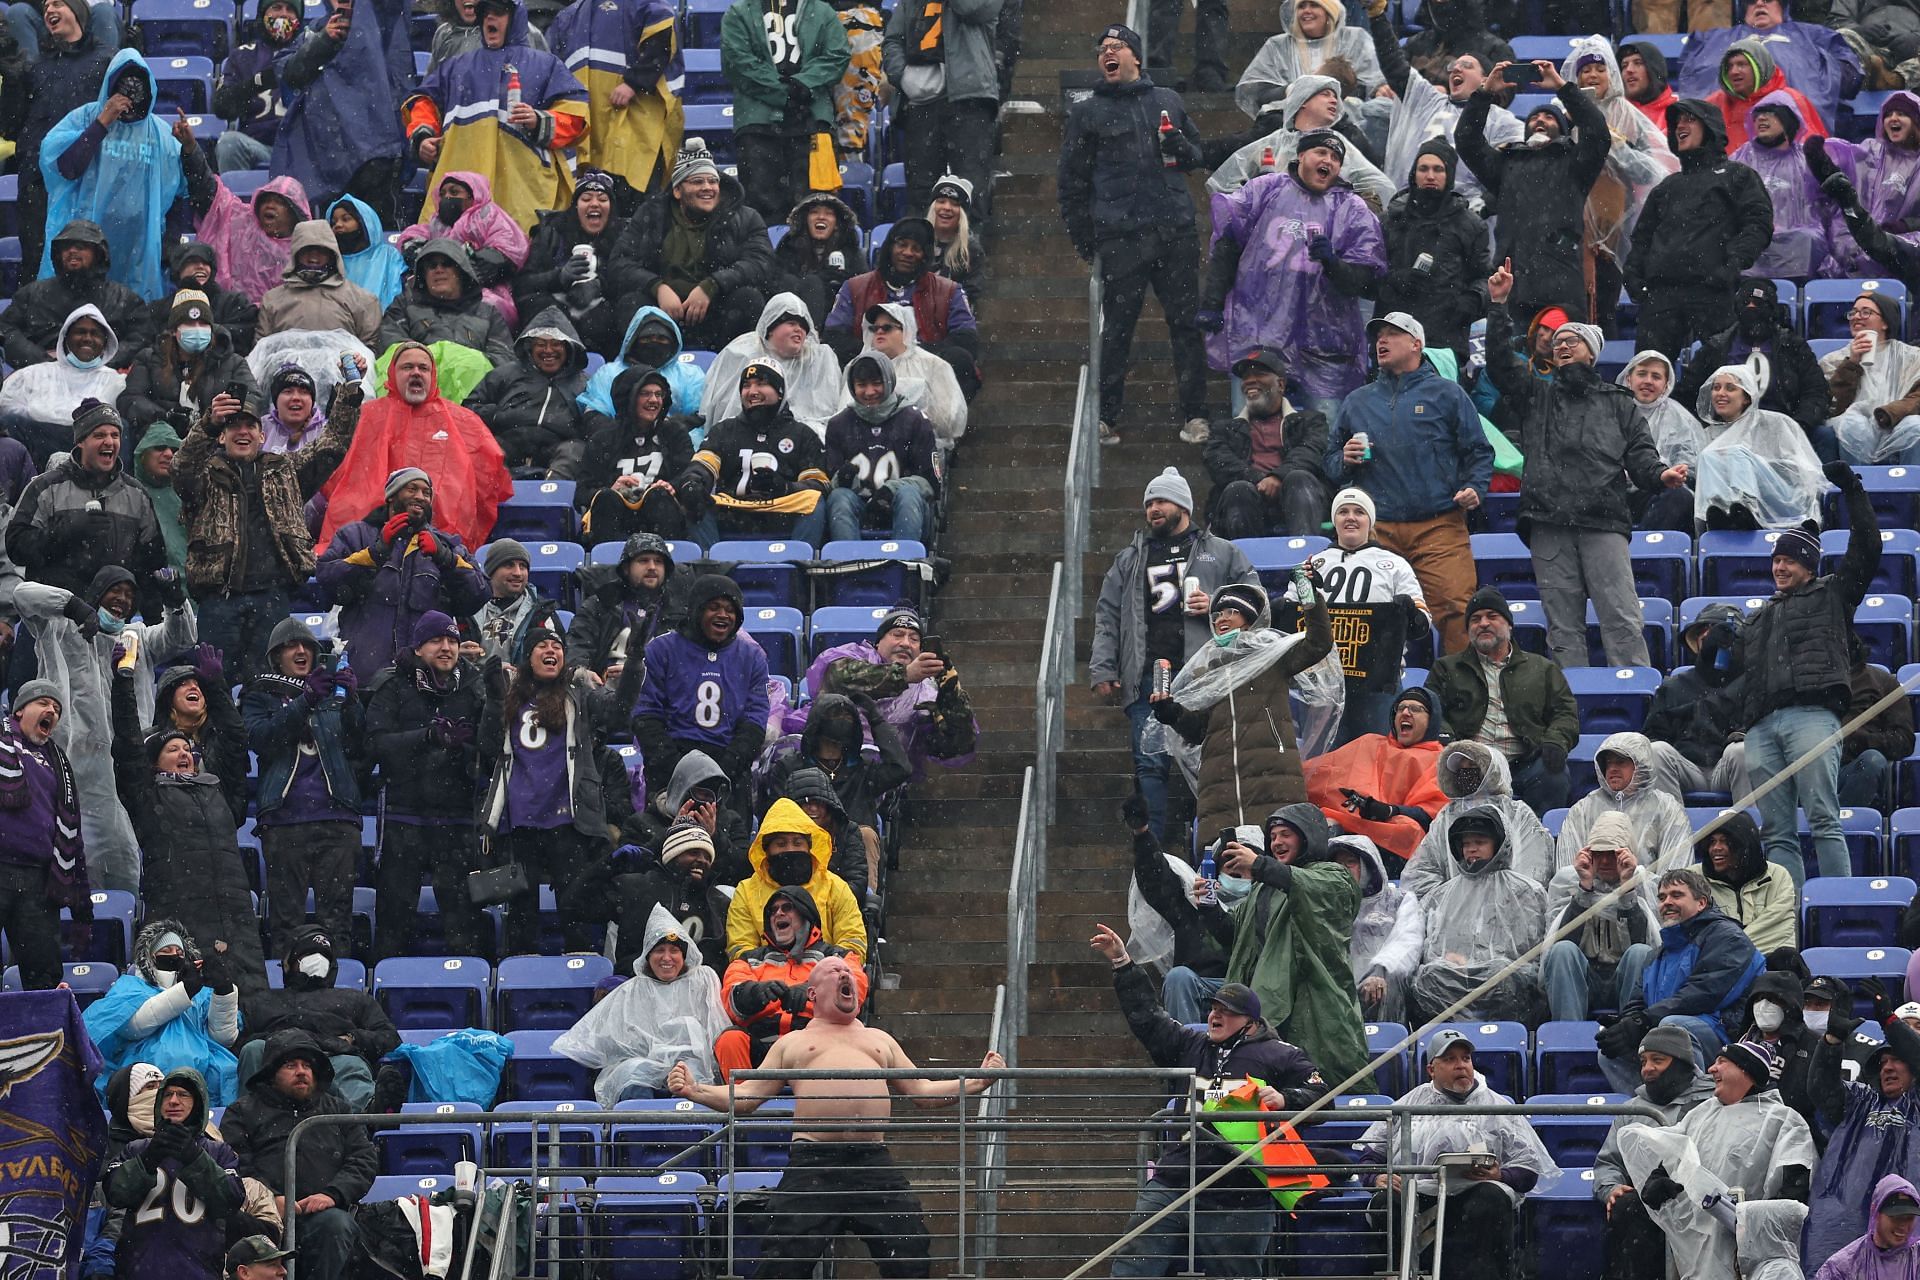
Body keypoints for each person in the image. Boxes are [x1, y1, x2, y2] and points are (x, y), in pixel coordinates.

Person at [668, 957, 1000, 1277]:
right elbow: (746, 1097)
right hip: (814, 1163)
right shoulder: (793, 1043)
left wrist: (975, 1081)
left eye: (848, 972)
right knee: (783, 1259)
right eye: (834, 971)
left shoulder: (879, 1039)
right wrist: (695, 1091)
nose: (845, 975)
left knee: (909, 1250)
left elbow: (923, 1092)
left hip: (871, 1163)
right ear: (812, 994)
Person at [1092, 921, 1331, 1276]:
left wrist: (1285, 1098)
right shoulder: (1191, 1044)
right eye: (1214, 1008)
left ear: (1250, 1022)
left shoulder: (1282, 1055)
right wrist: (1124, 964)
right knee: (1134, 1262)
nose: (1215, 1015)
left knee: (1235, 1273)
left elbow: (1323, 1100)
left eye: (1227, 1011)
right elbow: (1149, 1020)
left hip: (1241, 1188)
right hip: (1175, 1177)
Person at [1484, 266, 1687, 667]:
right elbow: (1499, 364)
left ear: (1592, 352)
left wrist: (1660, 474)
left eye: (1573, 341)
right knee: (1563, 626)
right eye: (1558, 342)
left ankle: (1634, 702)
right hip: (1548, 520)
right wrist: (1498, 307)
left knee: (1621, 617)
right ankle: (1573, 709)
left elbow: (1641, 454)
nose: (1563, 346)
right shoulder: (1535, 395)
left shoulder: (1618, 401)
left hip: (1604, 522)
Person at [1058, 24, 1208, 444]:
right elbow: (1071, 183)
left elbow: (1197, 156)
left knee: (1186, 325)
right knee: (1117, 329)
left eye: (1116, 47)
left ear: (1136, 57)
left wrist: (1180, 146)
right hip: (1121, 238)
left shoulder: (1169, 101)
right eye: (1101, 49)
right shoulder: (1087, 113)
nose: (1107, 53)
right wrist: (1089, 242)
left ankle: (1196, 415)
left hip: (1175, 232)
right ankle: (1106, 417)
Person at [1090, 467, 1258, 840]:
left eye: (1161, 500)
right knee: (1149, 765)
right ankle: (1156, 854)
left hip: (1206, 672)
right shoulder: (1130, 558)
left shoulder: (1222, 551)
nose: (1153, 508)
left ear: (1183, 505)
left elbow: (1256, 600)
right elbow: (1108, 613)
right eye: (1149, 502)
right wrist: (1103, 667)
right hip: (1150, 675)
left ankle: (1221, 846)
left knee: (1213, 760)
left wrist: (1218, 604)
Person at [13, 557, 193, 894]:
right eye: (115, 590)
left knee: (125, 855)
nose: (123, 599)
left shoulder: (135, 637)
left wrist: (176, 602)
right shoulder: (59, 628)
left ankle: (126, 917)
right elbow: (22, 594)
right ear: (96, 593)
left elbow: (181, 639)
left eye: (129, 594)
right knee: (71, 849)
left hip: (126, 766)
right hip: (70, 763)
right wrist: (72, 607)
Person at [1737, 471, 1880, 886]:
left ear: (1809, 565)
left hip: (1812, 716)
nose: (1780, 566)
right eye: (1776, 560)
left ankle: (1838, 904)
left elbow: (1868, 547)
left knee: (1823, 817)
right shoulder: (1759, 615)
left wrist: (1853, 490)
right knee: (1776, 833)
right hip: (1762, 727)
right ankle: (1791, 915)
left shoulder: (1833, 593)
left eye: (1789, 560)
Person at [1324, 313, 1490, 656]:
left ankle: (1458, 698)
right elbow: (1327, 464)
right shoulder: (1357, 400)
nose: (1380, 341)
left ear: (1417, 344)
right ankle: (1372, 697)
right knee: (1365, 616)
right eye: (1378, 336)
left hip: (1440, 526)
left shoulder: (1448, 394)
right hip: (1377, 530)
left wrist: (1476, 486)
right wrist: (1344, 459)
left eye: (1392, 334)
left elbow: (1479, 451)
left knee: (1457, 611)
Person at [176, 376, 357, 679]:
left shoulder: (285, 471)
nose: (242, 432)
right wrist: (208, 423)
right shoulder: (203, 476)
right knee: (215, 685)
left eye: (250, 426)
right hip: (219, 600)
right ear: (221, 437)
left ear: (262, 435)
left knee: (271, 686)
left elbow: (332, 446)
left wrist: (350, 392)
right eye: (233, 426)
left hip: (272, 598)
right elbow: (181, 468)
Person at [1197, 131, 1386, 421]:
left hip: (1323, 341)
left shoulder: (1352, 209)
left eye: (1336, 157)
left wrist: (1333, 264)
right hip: (1259, 331)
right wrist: (1212, 301)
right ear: (1300, 156)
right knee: (1249, 422)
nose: (1329, 161)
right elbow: (1228, 245)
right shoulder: (1265, 189)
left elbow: (1365, 279)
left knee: (1325, 426)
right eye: (1321, 153)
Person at [110, 650, 268, 995]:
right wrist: (122, 681)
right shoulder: (147, 796)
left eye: (188, 750)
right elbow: (126, 744)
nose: (184, 753)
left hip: (235, 917)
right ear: (153, 765)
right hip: (178, 919)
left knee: (251, 1006)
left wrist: (217, 688)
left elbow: (235, 736)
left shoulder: (218, 791)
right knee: (186, 1007)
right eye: (173, 749)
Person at [478, 617, 634, 954]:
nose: (551, 650)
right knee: (522, 912)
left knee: (574, 904)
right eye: (542, 646)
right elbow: (489, 746)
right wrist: (492, 699)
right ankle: (522, 973)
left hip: (567, 819)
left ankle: (578, 967)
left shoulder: (579, 697)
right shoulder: (509, 698)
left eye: (557, 647)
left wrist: (633, 665)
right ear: (527, 657)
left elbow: (620, 713)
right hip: (520, 819)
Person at [1188, 804, 1370, 1088]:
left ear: (1307, 836)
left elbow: (1309, 887)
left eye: (1286, 834)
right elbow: (1235, 937)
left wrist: (1259, 865)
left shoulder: (1335, 877)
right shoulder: (1262, 888)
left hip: (1315, 1003)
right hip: (1264, 1004)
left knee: (1321, 1088)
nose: (1277, 843)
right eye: (1273, 836)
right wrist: (1209, 910)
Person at [1354, 1028, 1557, 1279]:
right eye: (1449, 1059)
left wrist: (1499, 1174)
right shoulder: (1409, 1103)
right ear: (1431, 1069)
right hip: (1420, 1196)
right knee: (1387, 1203)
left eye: (1465, 1058)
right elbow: (1369, 1156)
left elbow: (1528, 1170)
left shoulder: (1498, 1106)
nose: (1460, 1066)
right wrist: (1376, 1179)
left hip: (1475, 1193)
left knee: (1491, 1199)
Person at [1146, 580, 1338, 838]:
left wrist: (1310, 595)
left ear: (1249, 619)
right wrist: (1173, 714)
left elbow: (1319, 643)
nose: (1222, 619)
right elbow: (1200, 731)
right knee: (1222, 866)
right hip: (1219, 790)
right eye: (1218, 614)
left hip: (1273, 777)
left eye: (1232, 612)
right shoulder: (1207, 668)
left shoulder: (1272, 656)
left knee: (1274, 857)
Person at [1614, 1039, 1816, 1280]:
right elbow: (1676, 1150)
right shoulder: (1701, 1113)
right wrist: (1659, 1180)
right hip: (1697, 1239)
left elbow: (1795, 1183)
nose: (1711, 1069)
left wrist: (1754, 1223)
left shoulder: (1783, 1120)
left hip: (1749, 1243)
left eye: (1722, 1062)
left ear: (1746, 1070)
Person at [361, 611, 490, 959]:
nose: (446, 647)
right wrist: (427, 737)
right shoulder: (393, 685)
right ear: (418, 648)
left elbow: (492, 751)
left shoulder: (475, 687)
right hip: (405, 820)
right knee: (393, 923)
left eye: (452, 640)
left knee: (465, 927)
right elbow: (374, 744)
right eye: (436, 640)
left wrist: (462, 747)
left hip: (458, 822)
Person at [313, 343, 514, 558]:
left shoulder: (464, 422)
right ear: (392, 374)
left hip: (439, 543)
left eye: (423, 368)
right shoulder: (367, 416)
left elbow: (490, 477)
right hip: (371, 539)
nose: (416, 373)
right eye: (408, 367)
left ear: (433, 374)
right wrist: (351, 388)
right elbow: (331, 455)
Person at [239, 620, 364, 959]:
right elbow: (260, 739)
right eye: (291, 646)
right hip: (284, 820)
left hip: (337, 817)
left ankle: (336, 998)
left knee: (336, 922)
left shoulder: (333, 691)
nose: (301, 651)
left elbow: (363, 746)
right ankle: (289, 1001)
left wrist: (351, 702)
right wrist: (305, 700)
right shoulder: (259, 693)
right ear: (275, 656)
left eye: (307, 646)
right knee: (286, 922)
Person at [404, 0, 588, 231]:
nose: (490, 19)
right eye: (485, 13)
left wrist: (539, 121)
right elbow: (423, 101)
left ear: (515, 18)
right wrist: (423, 137)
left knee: (519, 248)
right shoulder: (455, 67)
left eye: (498, 13)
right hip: (460, 189)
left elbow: (575, 115)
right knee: (450, 257)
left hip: (522, 190)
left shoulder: (545, 64)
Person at [1457, 60, 1609, 324]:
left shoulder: (1575, 164)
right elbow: (1467, 140)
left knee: (1564, 359)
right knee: (1506, 361)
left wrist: (1563, 88)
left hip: (1561, 286)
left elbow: (1597, 133)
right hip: (1511, 284)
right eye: (1534, 117)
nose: (1540, 119)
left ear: (1562, 129)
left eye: (1549, 116)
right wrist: (1484, 93)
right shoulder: (1505, 165)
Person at [220, 1030, 379, 1280]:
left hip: (325, 1217)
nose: (302, 1071)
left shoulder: (338, 1110)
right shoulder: (242, 1112)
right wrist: (271, 1199)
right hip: (262, 1218)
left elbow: (363, 1159)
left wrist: (332, 1194)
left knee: (337, 1226)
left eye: (307, 1065)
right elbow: (236, 1164)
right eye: (290, 1065)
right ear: (272, 1072)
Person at [38, 50, 194, 301]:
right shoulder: (84, 118)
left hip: (138, 248)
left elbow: (183, 191)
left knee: (132, 320)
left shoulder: (161, 134)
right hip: (85, 241)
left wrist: (169, 243)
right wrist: (102, 123)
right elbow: (65, 168)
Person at [1627, 100, 1775, 362]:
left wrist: (1731, 264)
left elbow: (1759, 224)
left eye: (1689, 119)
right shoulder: (1667, 187)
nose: (1680, 126)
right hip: (1661, 297)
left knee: (1719, 375)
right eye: (1676, 122)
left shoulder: (1737, 176)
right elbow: (1642, 238)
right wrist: (1635, 278)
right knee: (1648, 373)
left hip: (1713, 292)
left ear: (1709, 127)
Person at [1596, 867, 1766, 1092]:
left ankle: (1692, 1104)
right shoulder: (1657, 953)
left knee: (1672, 1029)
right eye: (1662, 897)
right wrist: (1627, 1024)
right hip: (1666, 1029)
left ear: (1701, 903)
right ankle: (1648, 1107)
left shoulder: (1728, 938)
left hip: (1724, 1035)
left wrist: (1643, 1022)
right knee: (1610, 1051)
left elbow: (1703, 994)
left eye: (1677, 895)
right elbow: (1638, 1002)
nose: (1667, 902)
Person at [317, 463, 490, 680]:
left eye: (426, 493)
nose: (420, 496)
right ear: (391, 496)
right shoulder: (356, 535)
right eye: (412, 489)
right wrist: (374, 554)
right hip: (365, 675)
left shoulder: (448, 544)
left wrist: (445, 559)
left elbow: (479, 593)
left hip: (426, 679)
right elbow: (326, 579)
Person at [606, 139, 776, 354]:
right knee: (631, 303)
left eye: (712, 181)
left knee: (748, 299)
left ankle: (738, 371)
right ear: (678, 191)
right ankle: (647, 378)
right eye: (697, 182)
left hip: (718, 312)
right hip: (663, 317)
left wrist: (712, 285)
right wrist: (657, 287)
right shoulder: (651, 214)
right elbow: (619, 263)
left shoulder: (746, 217)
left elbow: (762, 263)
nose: (708, 188)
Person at [1426, 587, 1580, 817]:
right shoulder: (1446, 668)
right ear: (1468, 630)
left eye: (1492, 616)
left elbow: (1565, 713)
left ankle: (1543, 843)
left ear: (1509, 625)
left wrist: (1555, 741)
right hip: (1471, 765)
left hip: (1526, 763)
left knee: (1554, 775)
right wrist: (1448, 742)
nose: (1484, 623)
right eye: (1475, 619)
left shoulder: (1542, 668)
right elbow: (1431, 710)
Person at [554, 904, 727, 1104]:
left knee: (692, 1081)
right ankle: (642, 1130)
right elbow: (607, 1039)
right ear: (648, 956)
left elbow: (715, 1029)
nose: (667, 958)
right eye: (659, 950)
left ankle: (688, 1133)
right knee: (632, 1078)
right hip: (643, 1062)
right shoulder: (631, 990)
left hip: (691, 1065)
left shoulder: (702, 980)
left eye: (674, 951)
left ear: (684, 955)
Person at [1805, 985, 1920, 1272]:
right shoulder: (1860, 1100)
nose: (1888, 1068)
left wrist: (1890, 1022)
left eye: (1897, 1060)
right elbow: (1821, 1089)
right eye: (1882, 1062)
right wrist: (1831, 1042)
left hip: (1905, 1218)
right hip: (1840, 1224)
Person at [270, 0, 412, 230]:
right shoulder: (315, 30)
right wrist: (324, 40)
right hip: (328, 161)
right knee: (335, 246)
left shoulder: (383, 19)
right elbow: (289, 73)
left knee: (376, 236)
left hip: (375, 157)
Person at [1594, 1024, 1721, 1280]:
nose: (1648, 1068)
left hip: (1700, 1202)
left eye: (1658, 1060)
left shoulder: (1714, 1102)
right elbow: (1608, 1163)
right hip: (1647, 1204)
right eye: (1643, 1061)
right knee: (1628, 1206)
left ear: (1682, 1062)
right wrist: (1611, 1188)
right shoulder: (1631, 1110)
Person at [632, 574, 770, 807]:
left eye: (730, 609)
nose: (723, 615)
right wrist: (677, 768)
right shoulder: (662, 649)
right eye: (714, 607)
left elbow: (754, 721)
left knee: (729, 841)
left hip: (730, 769)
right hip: (671, 765)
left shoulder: (752, 656)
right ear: (696, 610)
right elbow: (646, 714)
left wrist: (725, 769)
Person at [0, 0, 115, 280]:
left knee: (94, 268)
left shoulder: (105, 60)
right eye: (46, 5)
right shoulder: (33, 67)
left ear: (77, 11)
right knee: (37, 268)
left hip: (91, 178)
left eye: (58, 3)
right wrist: (12, 80)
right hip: (39, 183)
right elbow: (10, 127)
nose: (49, 9)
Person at [802, 601, 979, 779]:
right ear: (879, 642)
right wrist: (904, 675)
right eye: (898, 634)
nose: (906, 643)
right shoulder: (855, 656)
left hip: (886, 779)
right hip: (829, 766)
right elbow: (838, 678)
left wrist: (952, 700)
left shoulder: (927, 691)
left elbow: (955, 747)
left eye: (914, 639)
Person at [102, 1065, 245, 1279]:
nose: (174, 1101)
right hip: (139, 1272)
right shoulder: (136, 1149)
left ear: (198, 1103)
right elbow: (115, 1192)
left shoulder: (218, 1152)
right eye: (167, 1094)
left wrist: (194, 1157)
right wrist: (148, 1160)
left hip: (198, 1272)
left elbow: (230, 1199)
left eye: (183, 1095)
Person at [1408, 806, 1547, 1024]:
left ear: (1498, 844)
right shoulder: (1442, 895)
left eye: (1480, 842)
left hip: (1501, 976)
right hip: (1454, 974)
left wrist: (1479, 961)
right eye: (1466, 844)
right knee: (1426, 978)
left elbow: (1527, 950)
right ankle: (1445, 1047)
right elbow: (1432, 944)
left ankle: (1500, 1044)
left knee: (1504, 975)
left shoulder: (1526, 891)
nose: (1471, 849)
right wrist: (1449, 959)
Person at [714, 883, 869, 1074]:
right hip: (763, 1048)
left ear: (806, 914)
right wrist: (755, 993)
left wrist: (813, 993)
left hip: (817, 1044)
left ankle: (821, 1101)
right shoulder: (749, 959)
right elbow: (731, 996)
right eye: (772, 911)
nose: (778, 914)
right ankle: (740, 1101)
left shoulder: (837, 956)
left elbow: (856, 987)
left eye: (787, 908)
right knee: (730, 1039)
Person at [236, 926, 395, 1110]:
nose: (317, 960)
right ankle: (249, 1118)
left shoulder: (356, 999)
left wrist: (353, 1038)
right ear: (288, 962)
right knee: (253, 1049)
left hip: (335, 1056)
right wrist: (277, 1042)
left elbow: (389, 1036)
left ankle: (373, 1113)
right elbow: (236, 1042)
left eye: (324, 956)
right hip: (279, 1059)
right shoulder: (262, 1001)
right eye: (308, 954)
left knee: (351, 1066)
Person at [84, 921, 243, 1106]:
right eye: (166, 951)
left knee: (228, 1070)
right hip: (144, 1061)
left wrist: (224, 991)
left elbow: (223, 1038)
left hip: (204, 1064)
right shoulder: (131, 985)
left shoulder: (202, 992)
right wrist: (185, 991)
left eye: (180, 951)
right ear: (150, 957)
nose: (175, 955)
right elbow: (133, 1027)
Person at [718, 0, 849, 222]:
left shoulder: (823, 11)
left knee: (815, 208)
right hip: (758, 124)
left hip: (812, 123)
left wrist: (804, 84)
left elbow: (838, 56)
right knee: (761, 210)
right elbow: (736, 62)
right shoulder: (739, 12)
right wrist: (788, 93)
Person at [824, 220, 982, 402]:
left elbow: (967, 339)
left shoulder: (949, 290)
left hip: (927, 369)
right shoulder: (855, 287)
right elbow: (834, 337)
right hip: (868, 370)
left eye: (916, 248)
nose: (908, 253)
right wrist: (881, 352)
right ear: (890, 247)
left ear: (925, 255)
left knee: (960, 359)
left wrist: (911, 353)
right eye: (902, 245)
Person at [677, 362, 830, 546]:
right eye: (746, 385)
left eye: (761, 383)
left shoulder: (802, 434)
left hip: (781, 512)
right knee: (694, 499)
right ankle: (710, 566)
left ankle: (800, 565)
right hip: (733, 510)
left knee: (814, 500)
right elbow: (702, 466)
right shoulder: (724, 430)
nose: (752, 391)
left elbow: (820, 485)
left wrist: (786, 488)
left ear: (780, 391)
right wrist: (692, 482)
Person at [0, 680, 87, 990]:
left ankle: (44, 1038)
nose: (52, 710)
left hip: (38, 882)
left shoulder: (59, 762)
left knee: (45, 977)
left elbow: (73, 836)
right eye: (44, 703)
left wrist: (82, 906)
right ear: (20, 709)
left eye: (57, 709)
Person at [1304, 687, 1447, 872]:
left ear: (1431, 720)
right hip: (1350, 824)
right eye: (1401, 708)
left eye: (1416, 709)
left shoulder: (1440, 760)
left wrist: (1389, 811)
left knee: (1409, 830)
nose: (1405, 712)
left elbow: (1432, 814)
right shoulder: (1370, 743)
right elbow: (1319, 774)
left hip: (1394, 839)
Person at [544, 0, 680, 195]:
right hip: (592, 127)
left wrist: (634, 83)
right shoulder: (569, 15)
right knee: (597, 198)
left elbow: (662, 39)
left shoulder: (642, 4)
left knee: (635, 196)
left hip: (635, 123)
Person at [1372, 141, 1489, 364]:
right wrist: (1395, 280)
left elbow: (1484, 277)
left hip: (1445, 339)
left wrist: (1472, 300)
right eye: (1423, 169)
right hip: (1394, 334)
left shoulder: (1470, 225)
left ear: (1450, 175)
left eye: (1438, 169)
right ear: (1414, 173)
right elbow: (1369, 275)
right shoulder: (1390, 221)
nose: (1430, 175)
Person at [881, 0, 999, 218]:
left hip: (968, 100)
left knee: (971, 188)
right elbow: (892, 41)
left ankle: (967, 249)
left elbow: (974, 9)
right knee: (921, 193)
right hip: (920, 104)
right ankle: (925, 247)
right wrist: (902, 76)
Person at [565, 818, 728, 976]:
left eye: (708, 857)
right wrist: (608, 865)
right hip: (637, 987)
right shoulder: (635, 887)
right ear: (673, 854)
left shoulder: (718, 902)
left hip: (696, 993)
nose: (702, 860)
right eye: (693, 852)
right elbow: (574, 906)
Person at [1676, 279, 1833, 441]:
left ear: (1771, 309)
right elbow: (1688, 393)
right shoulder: (1715, 348)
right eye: (1746, 302)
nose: (1751, 308)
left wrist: (1798, 426)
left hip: (1784, 430)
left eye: (1758, 303)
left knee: (1824, 436)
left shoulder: (1794, 347)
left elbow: (1816, 392)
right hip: (1726, 430)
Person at [1208, 74, 1397, 209]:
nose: (1334, 101)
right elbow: (1223, 184)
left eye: (1335, 96)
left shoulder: (1340, 145)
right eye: (1325, 94)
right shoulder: (1271, 144)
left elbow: (1381, 187)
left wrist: (1347, 211)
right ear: (1303, 100)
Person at [1200, 347, 1330, 541]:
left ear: (1281, 384)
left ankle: (1304, 562)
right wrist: (1258, 479)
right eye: (1246, 377)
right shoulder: (1224, 429)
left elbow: (1311, 452)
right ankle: (1245, 568)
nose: (1250, 380)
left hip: (1297, 501)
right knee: (1238, 490)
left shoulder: (1311, 421)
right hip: (1247, 503)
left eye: (1260, 374)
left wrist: (1278, 477)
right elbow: (1218, 461)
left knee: (1299, 479)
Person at [1542, 811, 1659, 1023]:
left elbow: (1643, 942)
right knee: (1562, 951)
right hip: (1582, 979)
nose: (1604, 861)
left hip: (1625, 978)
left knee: (1640, 953)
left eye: (1612, 853)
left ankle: (1632, 1032)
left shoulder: (1645, 882)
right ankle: (1569, 1040)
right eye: (1598, 853)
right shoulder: (1567, 881)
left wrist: (1627, 888)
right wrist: (1584, 890)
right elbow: (1560, 942)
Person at [1675, 0, 1862, 131]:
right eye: (1751, 0)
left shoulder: (1815, 35)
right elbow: (1691, 77)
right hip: (1730, 127)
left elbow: (1850, 78)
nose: (1759, 3)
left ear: (1782, 5)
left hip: (1798, 129)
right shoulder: (1713, 38)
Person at [0, 219, 149, 379]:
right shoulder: (32, 294)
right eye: (66, 248)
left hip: (103, 380)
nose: (71, 251)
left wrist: (100, 361)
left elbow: (141, 338)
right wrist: (40, 360)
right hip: (39, 377)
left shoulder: (125, 299)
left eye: (80, 247)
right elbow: (6, 330)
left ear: (99, 253)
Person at [723, 798, 866, 963]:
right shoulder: (746, 891)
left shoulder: (835, 886)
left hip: (825, 978)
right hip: (765, 981)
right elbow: (740, 948)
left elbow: (853, 943)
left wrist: (821, 969)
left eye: (798, 843)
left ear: (808, 847)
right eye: (781, 844)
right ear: (767, 850)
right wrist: (774, 970)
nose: (790, 849)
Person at [1694, 363, 1831, 532]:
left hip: (1785, 498)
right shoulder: (1707, 435)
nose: (1721, 393)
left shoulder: (1775, 423)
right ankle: (1718, 517)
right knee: (1708, 456)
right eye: (1716, 387)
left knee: (1736, 453)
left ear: (1746, 397)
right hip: (1730, 512)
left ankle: (1745, 507)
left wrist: (1756, 467)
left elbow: (1799, 472)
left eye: (1730, 388)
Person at [822, 351, 939, 543]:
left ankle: (905, 562)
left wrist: (892, 489)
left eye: (877, 383)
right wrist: (841, 478)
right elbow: (829, 485)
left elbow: (930, 483)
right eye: (862, 385)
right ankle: (849, 563)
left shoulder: (915, 420)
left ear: (889, 381)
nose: (869, 392)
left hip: (904, 506)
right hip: (858, 506)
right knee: (839, 498)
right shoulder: (839, 424)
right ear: (852, 388)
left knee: (908, 495)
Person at [395, 171, 531, 328]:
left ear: (473, 196)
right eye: (443, 193)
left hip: (486, 290)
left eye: (454, 192)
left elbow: (505, 251)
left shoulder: (488, 216)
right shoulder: (437, 223)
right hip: (436, 288)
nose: (447, 197)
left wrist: (459, 272)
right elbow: (412, 238)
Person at [511, 171, 625, 358]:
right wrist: (559, 277)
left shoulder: (623, 235)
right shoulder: (552, 232)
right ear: (575, 207)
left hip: (603, 318)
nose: (594, 203)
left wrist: (600, 284)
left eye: (603, 199)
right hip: (557, 311)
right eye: (586, 198)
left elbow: (633, 276)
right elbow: (523, 284)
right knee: (536, 305)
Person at [577, 369, 698, 544]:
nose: (654, 400)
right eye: (645, 394)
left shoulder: (675, 434)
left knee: (659, 496)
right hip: (616, 519)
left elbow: (690, 476)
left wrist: (672, 486)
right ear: (629, 398)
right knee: (606, 498)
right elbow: (581, 493)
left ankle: (667, 563)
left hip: (662, 519)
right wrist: (612, 488)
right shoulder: (602, 439)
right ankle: (607, 563)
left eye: (658, 394)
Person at [466, 309, 590, 478]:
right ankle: (497, 491)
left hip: (558, 447)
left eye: (556, 344)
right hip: (507, 441)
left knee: (575, 451)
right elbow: (469, 409)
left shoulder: (582, 383)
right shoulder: (506, 373)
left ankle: (552, 495)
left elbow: (593, 422)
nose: (548, 350)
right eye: (541, 344)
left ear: (568, 348)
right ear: (530, 348)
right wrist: (497, 416)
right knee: (486, 450)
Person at [0, 307, 130, 468]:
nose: (87, 338)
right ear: (66, 337)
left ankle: (114, 487)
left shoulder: (117, 381)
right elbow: (6, 406)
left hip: (91, 450)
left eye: (95, 333)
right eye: (80, 332)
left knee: (121, 426)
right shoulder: (32, 374)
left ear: (105, 341)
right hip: (37, 444)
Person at [1732, 93, 1844, 280]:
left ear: (1787, 120)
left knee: (1809, 239)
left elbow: (1830, 205)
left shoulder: (1807, 159)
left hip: (1796, 240)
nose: (1761, 118)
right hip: (1751, 241)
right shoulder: (1741, 158)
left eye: (1770, 113)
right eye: (1758, 114)